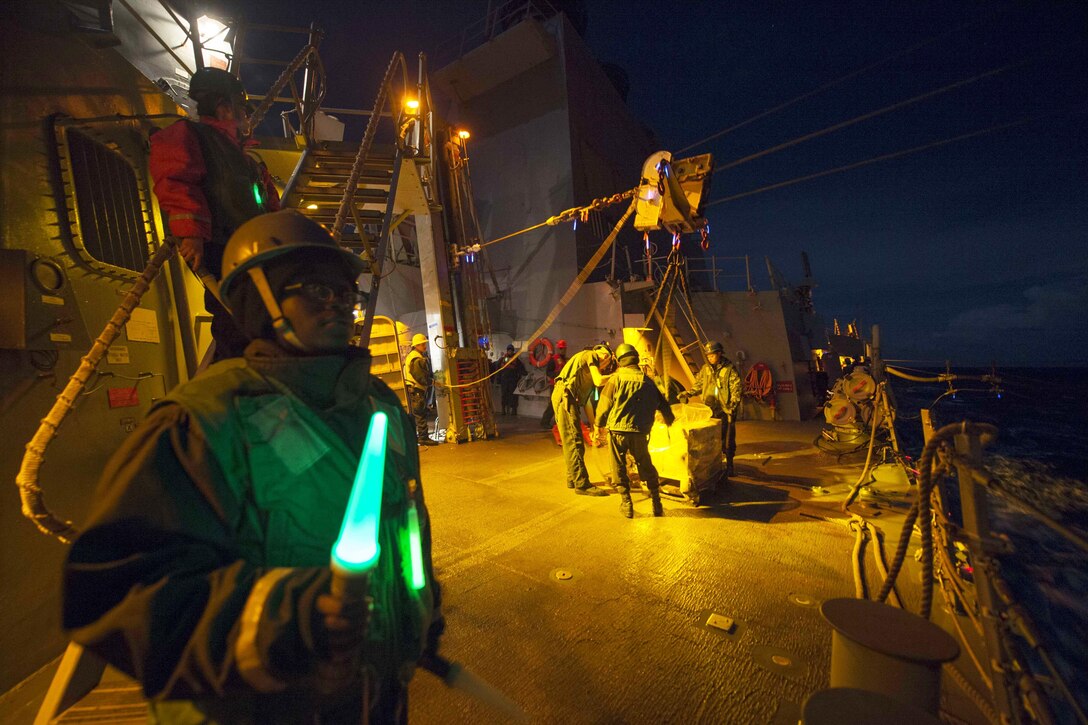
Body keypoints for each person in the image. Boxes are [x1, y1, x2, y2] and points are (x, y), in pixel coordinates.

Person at [62, 210, 442, 724]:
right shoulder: (200, 423)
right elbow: (118, 594)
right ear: (260, 303)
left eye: (345, 291)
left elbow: (408, 528)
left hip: (376, 699)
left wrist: (419, 614)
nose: (341, 305)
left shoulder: (380, 406)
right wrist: (291, 621)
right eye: (315, 289)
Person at [150, 67, 280, 362]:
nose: (245, 118)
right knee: (235, 323)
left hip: (251, 251)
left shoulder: (246, 159)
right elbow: (177, 180)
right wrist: (191, 234)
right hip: (223, 248)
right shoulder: (189, 135)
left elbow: (267, 204)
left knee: (258, 318)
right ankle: (233, 379)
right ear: (224, 108)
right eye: (242, 110)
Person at [595, 344, 675, 518]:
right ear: (636, 359)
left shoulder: (615, 379)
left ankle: (627, 504)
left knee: (619, 467)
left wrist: (597, 425)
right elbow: (664, 406)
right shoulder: (648, 381)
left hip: (618, 433)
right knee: (645, 464)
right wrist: (669, 421)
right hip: (640, 433)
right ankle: (656, 503)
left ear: (619, 360)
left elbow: (604, 405)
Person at [551, 342, 614, 496]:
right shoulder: (590, 354)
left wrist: (595, 426)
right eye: (606, 358)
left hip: (566, 398)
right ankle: (582, 484)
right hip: (565, 396)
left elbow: (587, 404)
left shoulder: (588, 377)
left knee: (570, 441)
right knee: (574, 440)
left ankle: (573, 478)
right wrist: (617, 375)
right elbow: (599, 380)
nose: (604, 362)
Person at [681, 340, 743, 477]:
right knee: (710, 440)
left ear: (719, 354)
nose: (710, 358)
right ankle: (713, 466)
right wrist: (688, 393)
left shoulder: (729, 369)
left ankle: (729, 465)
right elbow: (699, 385)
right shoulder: (705, 369)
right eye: (708, 356)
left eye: (712, 355)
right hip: (709, 410)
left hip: (725, 410)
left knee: (726, 439)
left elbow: (736, 389)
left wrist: (732, 407)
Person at [404, 332, 438, 445]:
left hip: (414, 390)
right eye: (422, 344)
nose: (425, 346)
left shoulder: (413, 356)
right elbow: (420, 376)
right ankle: (423, 438)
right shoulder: (416, 358)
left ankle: (420, 437)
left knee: (418, 414)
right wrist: (431, 382)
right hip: (416, 390)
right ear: (416, 345)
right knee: (420, 414)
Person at [539, 339, 568, 428]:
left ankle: (560, 422)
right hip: (555, 386)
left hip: (563, 386)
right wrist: (558, 374)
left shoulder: (566, 360)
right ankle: (544, 422)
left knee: (562, 405)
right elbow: (548, 373)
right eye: (560, 348)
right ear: (558, 349)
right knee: (552, 404)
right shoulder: (553, 360)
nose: (562, 350)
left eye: (563, 348)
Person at [493, 343, 526, 416]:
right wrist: (498, 379)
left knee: (513, 395)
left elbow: (521, 368)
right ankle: (503, 409)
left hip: (513, 380)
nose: (510, 351)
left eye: (511, 350)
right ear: (507, 351)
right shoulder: (502, 359)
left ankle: (513, 409)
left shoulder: (516, 360)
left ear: (513, 351)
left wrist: (524, 374)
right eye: (509, 350)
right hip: (504, 380)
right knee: (504, 394)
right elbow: (498, 369)